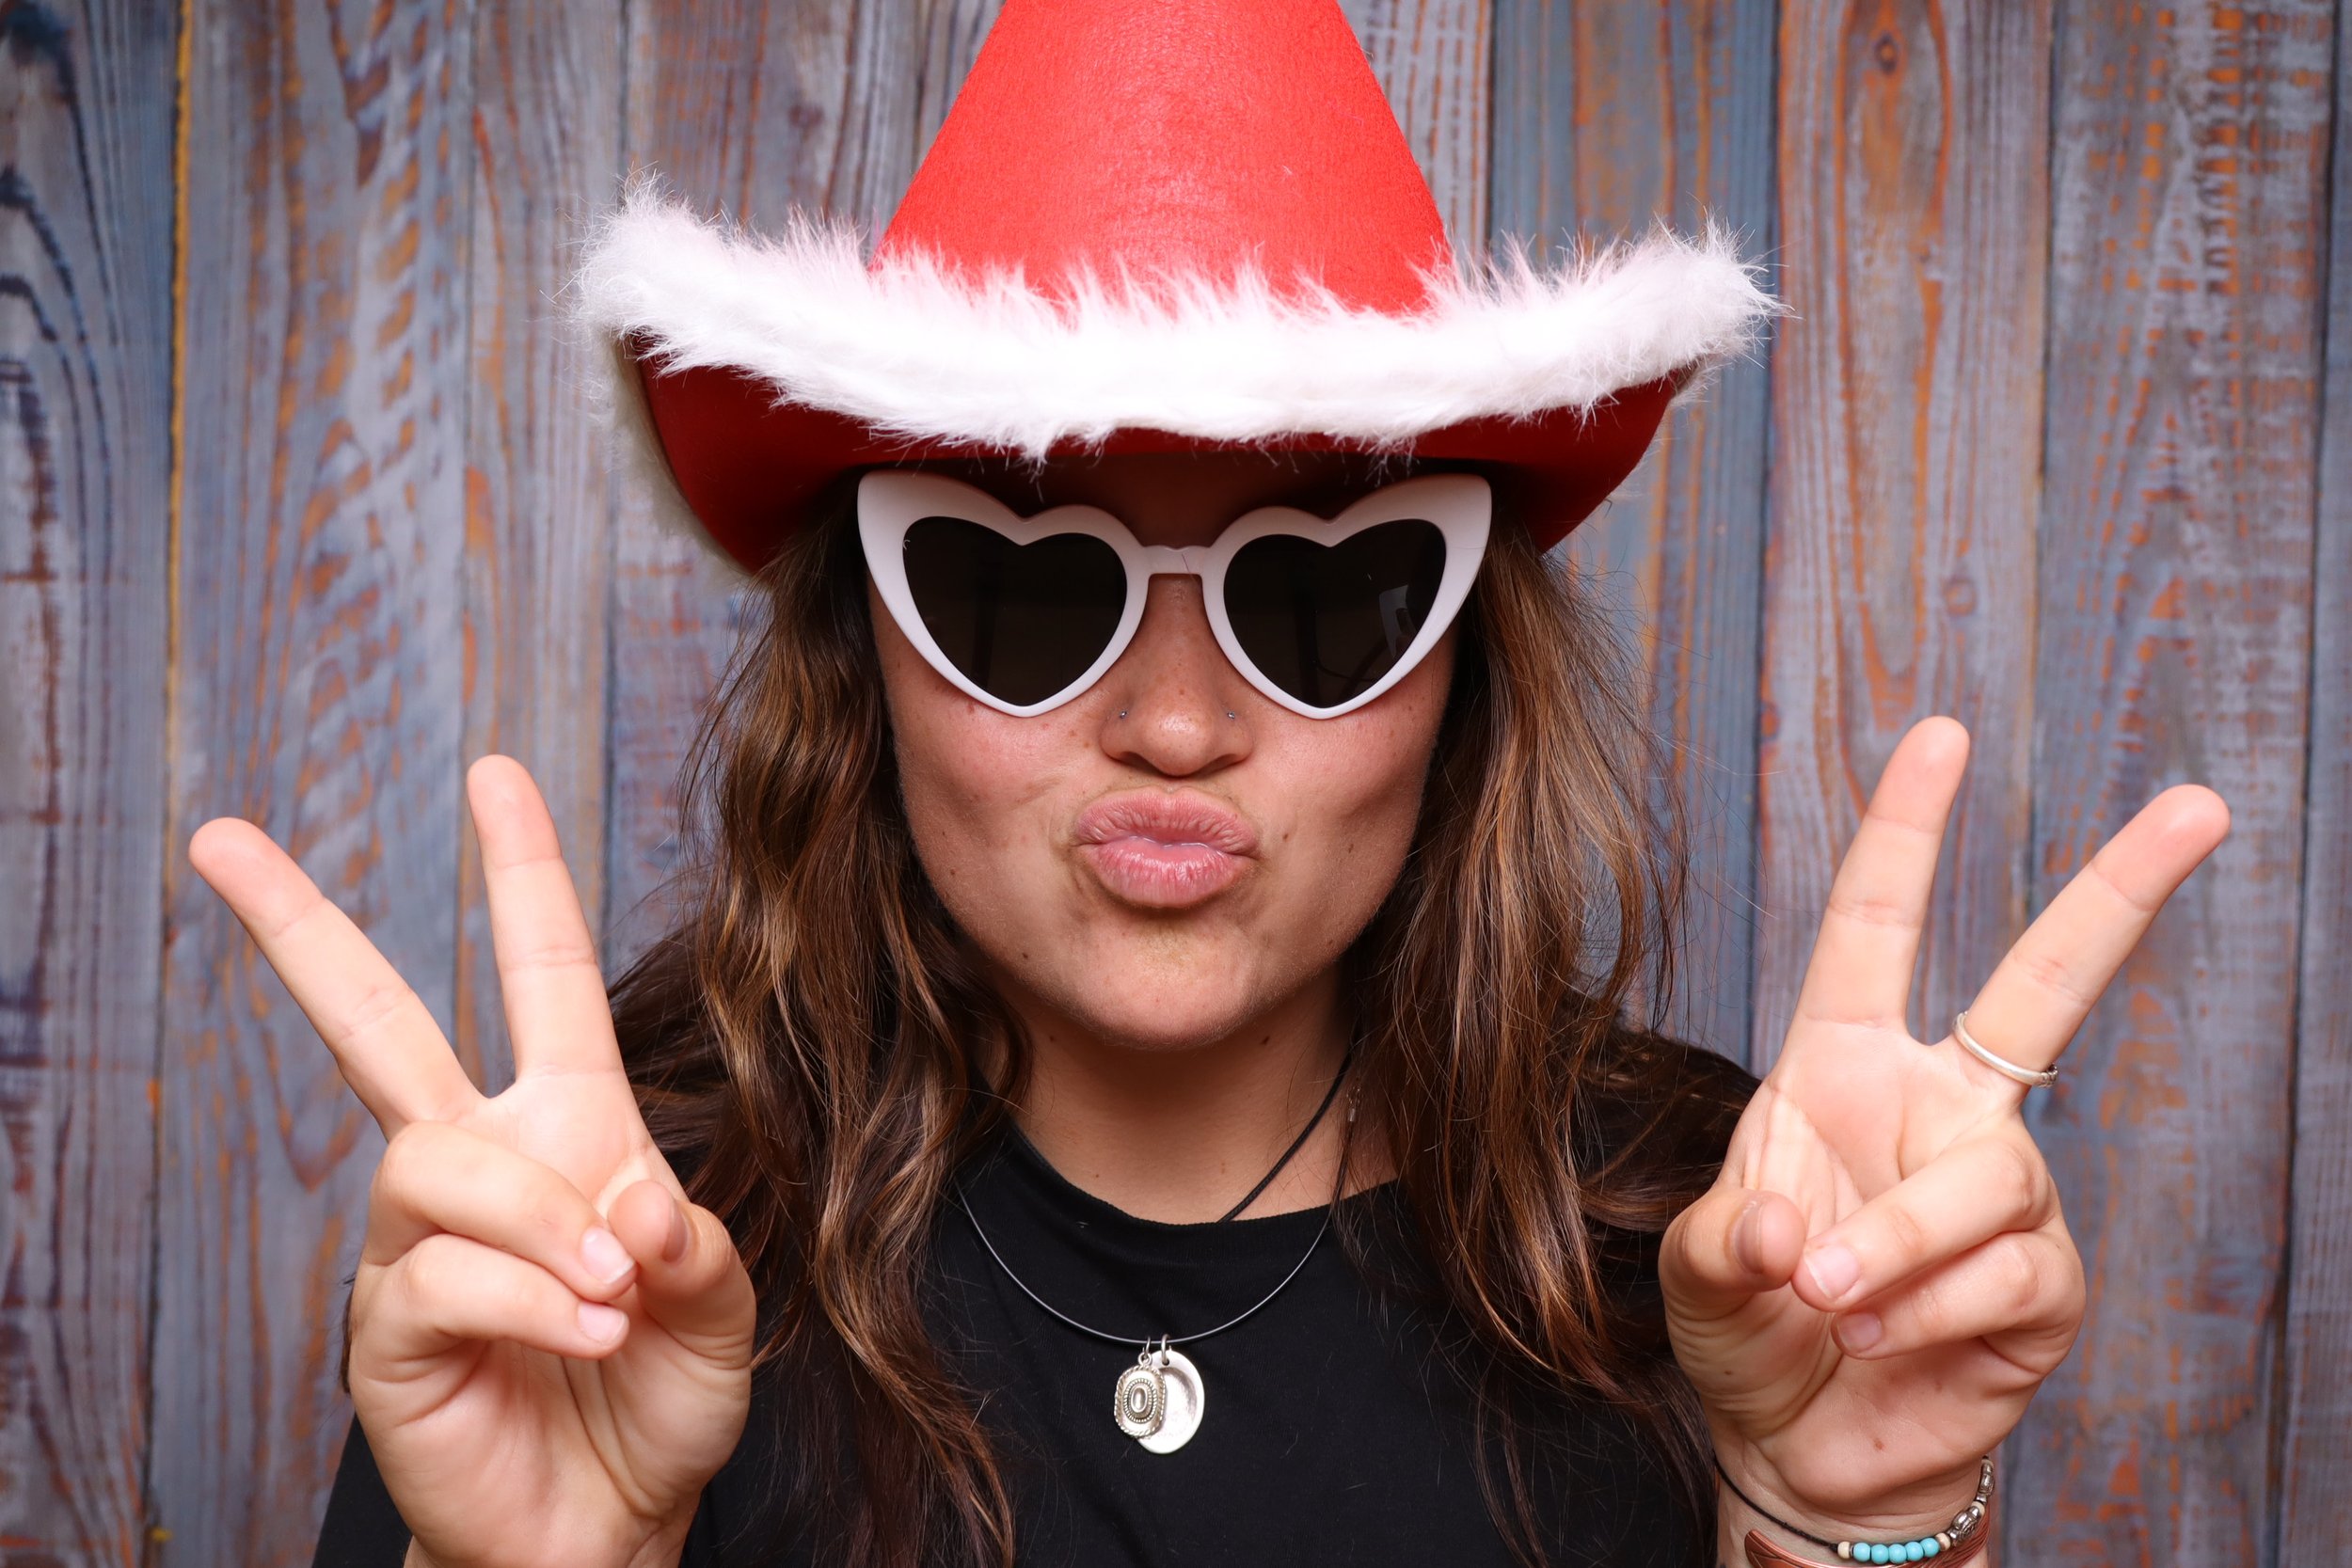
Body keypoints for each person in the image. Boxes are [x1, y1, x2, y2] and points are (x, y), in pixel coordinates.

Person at [186, 4, 2230, 1566]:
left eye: (1323, 600)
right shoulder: (589, 1249)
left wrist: (1832, 1522)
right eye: (1015, 588)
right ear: (863, 662)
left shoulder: (1738, 1250)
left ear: (1460, 671)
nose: (1173, 724)